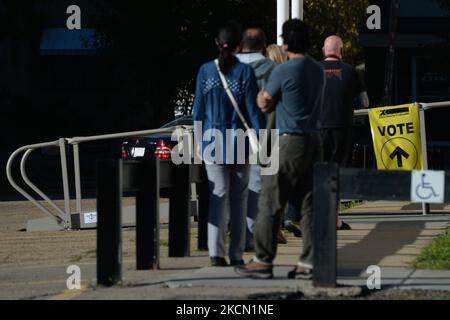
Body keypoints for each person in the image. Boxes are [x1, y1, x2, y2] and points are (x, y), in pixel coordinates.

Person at [235, 19, 325, 279]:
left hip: (289, 141)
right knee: (309, 204)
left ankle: (263, 259)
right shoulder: (318, 70)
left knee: (270, 201)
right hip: (314, 141)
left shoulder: (283, 71)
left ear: (285, 43)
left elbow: (264, 103)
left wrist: (267, 100)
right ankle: (309, 262)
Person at [192, 21, 263, 267]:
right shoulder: (245, 73)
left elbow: (197, 112)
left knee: (218, 197)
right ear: (239, 45)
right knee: (239, 199)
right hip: (239, 142)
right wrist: (262, 140)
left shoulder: (205, 71)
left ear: (216, 44)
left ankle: (215, 253)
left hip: (212, 142)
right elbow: (254, 113)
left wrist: (199, 142)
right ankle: (236, 254)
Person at [320, 35, 369, 230]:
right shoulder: (352, 72)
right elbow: (365, 102)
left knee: (318, 172)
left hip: (318, 129)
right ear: (342, 51)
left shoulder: (313, 70)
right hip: (342, 128)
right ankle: (334, 218)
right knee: (337, 173)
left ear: (324, 51)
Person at [236, 28, 277, 251]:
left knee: (232, 187)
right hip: (263, 135)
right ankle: (252, 236)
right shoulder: (273, 70)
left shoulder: (226, 66)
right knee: (257, 187)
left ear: (241, 44)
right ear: (263, 46)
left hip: (228, 134)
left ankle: (235, 234)